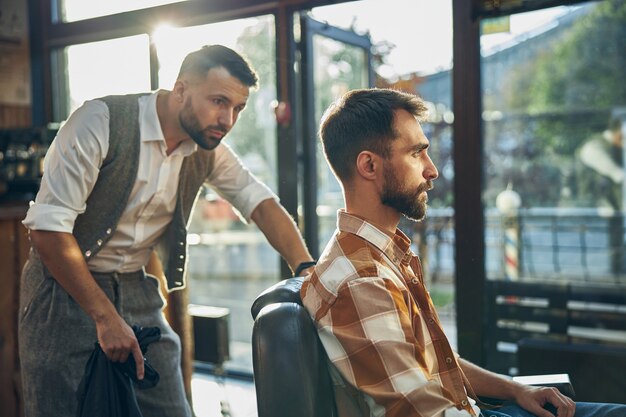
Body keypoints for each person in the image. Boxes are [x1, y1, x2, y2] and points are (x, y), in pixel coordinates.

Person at [19, 44, 314, 417]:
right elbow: (47, 232)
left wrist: (305, 269)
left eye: (237, 108)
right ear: (180, 90)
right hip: (61, 293)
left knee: (172, 408)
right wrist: (105, 316)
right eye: (219, 101)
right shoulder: (98, 122)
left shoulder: (208, 149)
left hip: (135, 287)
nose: (227, 120)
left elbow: (262, 204)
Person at [301, 88, 626, 417]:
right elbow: (422, 412)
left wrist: (516, 389)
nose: (432, 170)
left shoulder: (378, 256)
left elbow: (432, 360)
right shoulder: (362, 282)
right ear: (369, 165)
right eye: (416, 153)